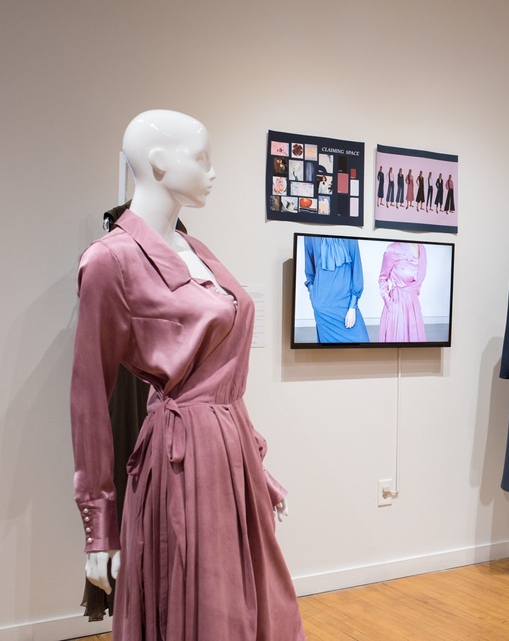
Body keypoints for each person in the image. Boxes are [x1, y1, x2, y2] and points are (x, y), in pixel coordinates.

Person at [71, 110, 305, 640]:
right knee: (206, 613)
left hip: (230, 455)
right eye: (202, 158)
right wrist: (98, 528)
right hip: (181, 464)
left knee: (258, 607)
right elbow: (89, 401)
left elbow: (222, 374)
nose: (213, 171)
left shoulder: (195, 250)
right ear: (158, 163)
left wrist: (256, 464)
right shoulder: (110, 261)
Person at [303, 235, 370, 343]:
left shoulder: (349, 233)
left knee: (363, 344)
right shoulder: (311, 235)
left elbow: (356, 268)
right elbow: (309, 269)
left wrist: (353, 306)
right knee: (330, 355)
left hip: (346, 302)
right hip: (322, 305)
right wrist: (313, 296)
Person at [378, 242, 427, 342]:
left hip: (414, 307)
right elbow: (382, 279)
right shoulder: (393, 249)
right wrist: (390, 304)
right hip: (397, 306)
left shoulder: (422, 249)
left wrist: (413, 300)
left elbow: (418, 282)